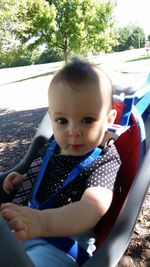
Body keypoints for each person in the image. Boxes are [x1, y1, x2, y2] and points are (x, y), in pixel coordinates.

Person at [1, 57, 121, 267]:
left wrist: (41, 222)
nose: (73, 131)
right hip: (28, 224)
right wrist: (24, 180)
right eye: (62, 121)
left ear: (109, 119)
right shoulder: (54, 145)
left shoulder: (105, 159)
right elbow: (44, 172)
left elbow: (91, 209)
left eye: (87, 120)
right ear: (51, 117)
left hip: (65, 243)